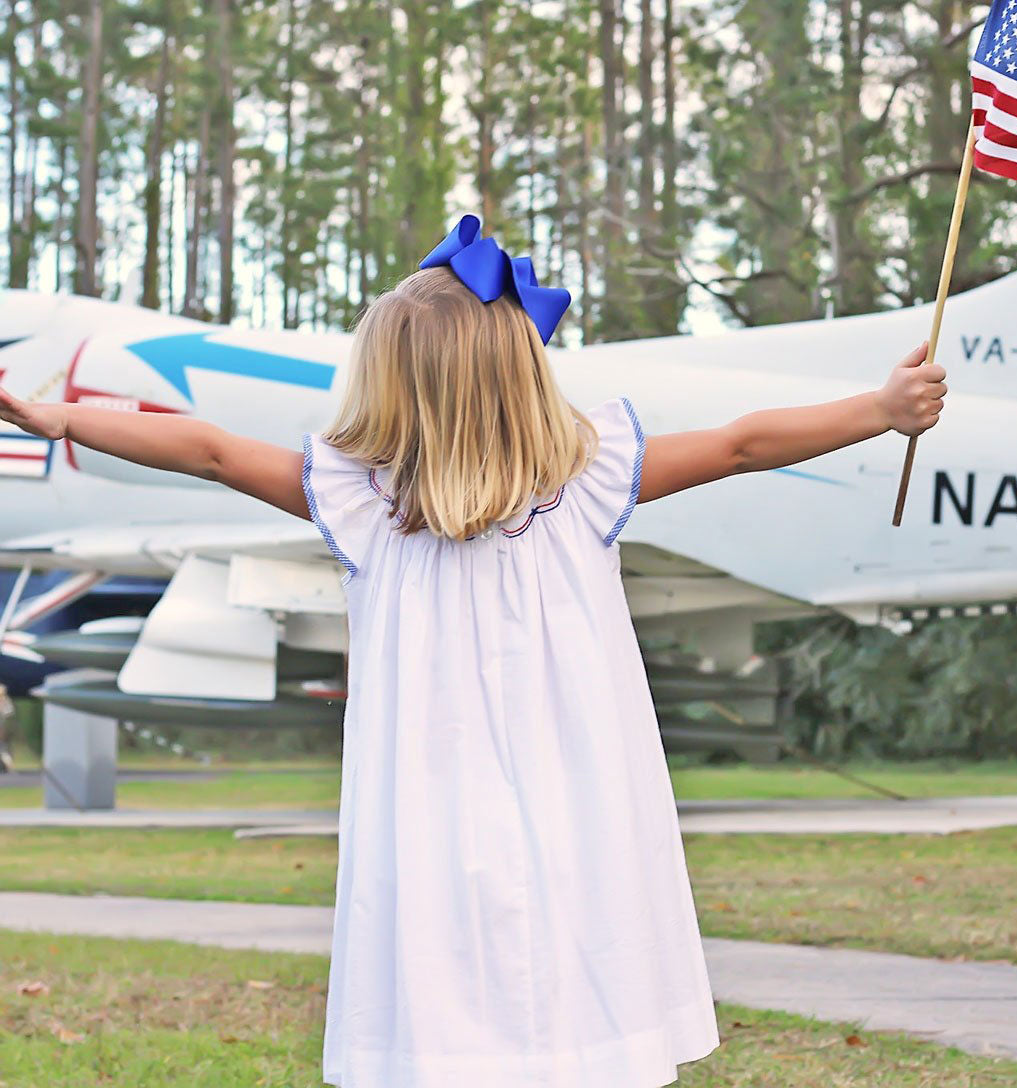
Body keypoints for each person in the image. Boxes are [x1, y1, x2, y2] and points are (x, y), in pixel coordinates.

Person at [0, 216, 947, 1087]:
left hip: (445, 807)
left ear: (396, 385)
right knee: (557, 970)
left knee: (467, 981)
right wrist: (879, 408)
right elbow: (742, 444)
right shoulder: (461, 495)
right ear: (517, 376)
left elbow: (205, 449)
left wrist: (62, 421)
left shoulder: (406, 501)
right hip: (561, 797)